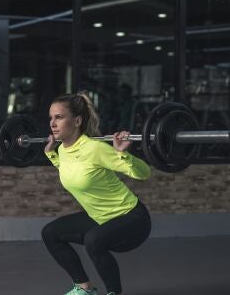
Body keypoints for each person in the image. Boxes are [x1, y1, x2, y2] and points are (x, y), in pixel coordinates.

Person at [42, 92, 152, 295]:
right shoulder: (64, 150)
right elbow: (72, 172)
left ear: (77, 121)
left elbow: (144, 173)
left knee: (93, 240)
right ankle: (84, 288)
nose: (52, 123)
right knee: (51, 233)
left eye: (59, 117)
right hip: (101, 219)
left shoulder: (95, 149)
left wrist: (122, 154)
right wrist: (51, 154)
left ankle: (114, 293)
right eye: (51, 118)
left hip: (132, 219)